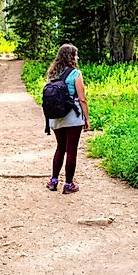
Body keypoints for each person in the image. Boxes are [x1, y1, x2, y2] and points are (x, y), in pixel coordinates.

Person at [45, 44, 90, 194]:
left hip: (56, 116)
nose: (77, 58)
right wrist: (86, 118)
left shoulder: (52, 73)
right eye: (75, 55)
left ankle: (53, 180)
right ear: (71, 57)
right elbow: (82, 98)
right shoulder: (75, 73)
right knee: (71, 149)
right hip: (73, 115)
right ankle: (69, 184)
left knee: (60, 147)